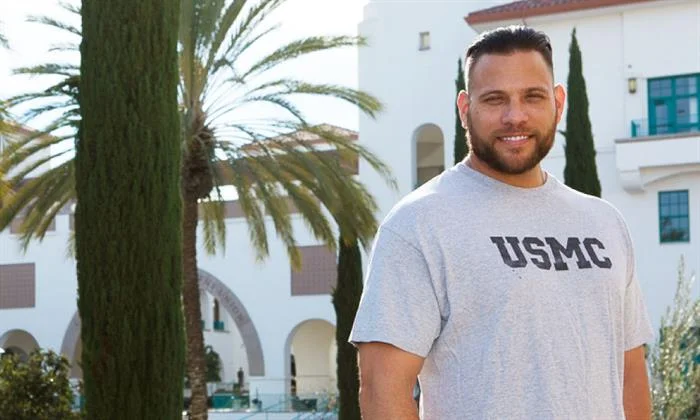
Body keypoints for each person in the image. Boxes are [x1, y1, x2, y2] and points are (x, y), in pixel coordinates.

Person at [349, 25, 654, 419]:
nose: (515, 116)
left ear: (558, 103)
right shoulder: (419, 223)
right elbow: (382, 390)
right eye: (495, 100)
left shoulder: (604, 222)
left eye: (533, 96)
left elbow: (629, 371)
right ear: (464, 108)